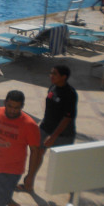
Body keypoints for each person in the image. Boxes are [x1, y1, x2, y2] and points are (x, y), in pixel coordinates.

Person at [17, 65, 77, 193]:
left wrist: (53, 136)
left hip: (63, 134)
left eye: (54, 74)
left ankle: (72, 188)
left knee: (63, 162)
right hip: (45, 128)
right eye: (51, 73)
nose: (51, 76)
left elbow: (67, 118)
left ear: (63, 77)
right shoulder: (52, 87)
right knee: (36, 154)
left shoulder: (70, 94)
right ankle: (29, 182)